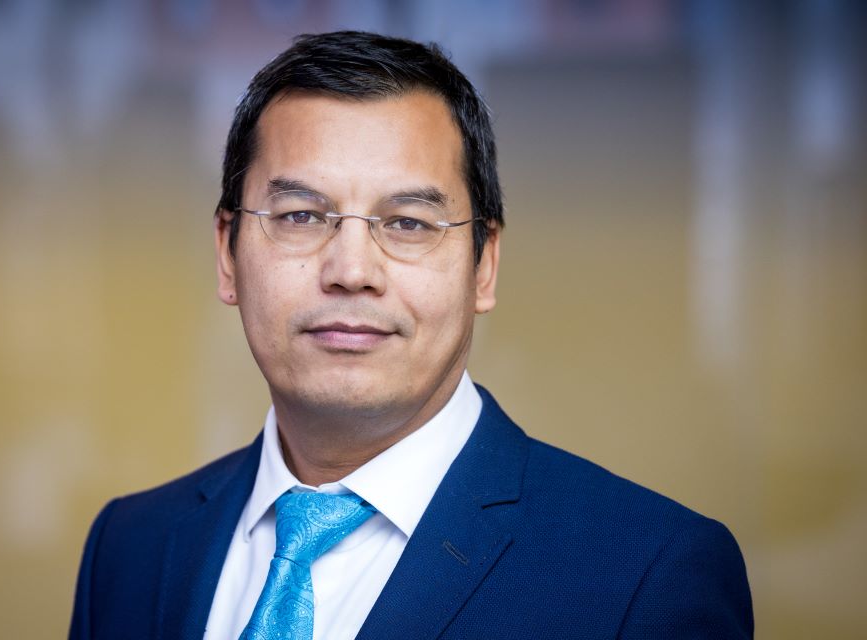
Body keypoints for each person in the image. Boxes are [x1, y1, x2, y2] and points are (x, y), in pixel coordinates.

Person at [69, 31, 753, 639]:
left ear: (483, 266)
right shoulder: (131, 548)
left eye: (408, 223)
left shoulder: (647, 576)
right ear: (228, 253)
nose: (351, 272)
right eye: (303, 216)